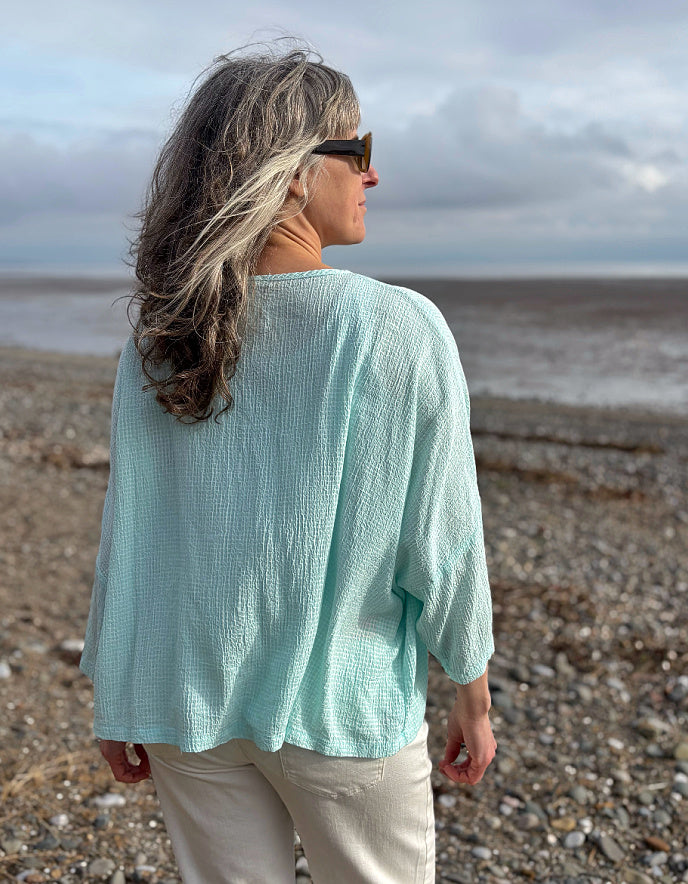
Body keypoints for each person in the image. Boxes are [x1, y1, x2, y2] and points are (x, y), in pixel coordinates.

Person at [80, 43, 496, 884]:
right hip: (340, 709)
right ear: (295, 174)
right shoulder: (396, 327)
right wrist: (473, 695)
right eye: (358, 151)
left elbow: (131, 531)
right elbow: (443, 542)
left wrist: (118, 688)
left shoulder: (163, 338)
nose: (372, 177)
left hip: (184, 702)